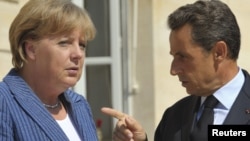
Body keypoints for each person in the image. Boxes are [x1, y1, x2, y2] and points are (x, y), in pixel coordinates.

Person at [101, 0, 250, 141]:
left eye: (183, 57)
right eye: (174, 56)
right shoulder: (174, 117)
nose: (173, 70)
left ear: (218, 52)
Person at [0, 0, 98, 140]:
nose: (78, 54)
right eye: (64, 43)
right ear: (31, 49)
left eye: (82, 45)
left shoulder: (79, 104)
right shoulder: (4, 101)